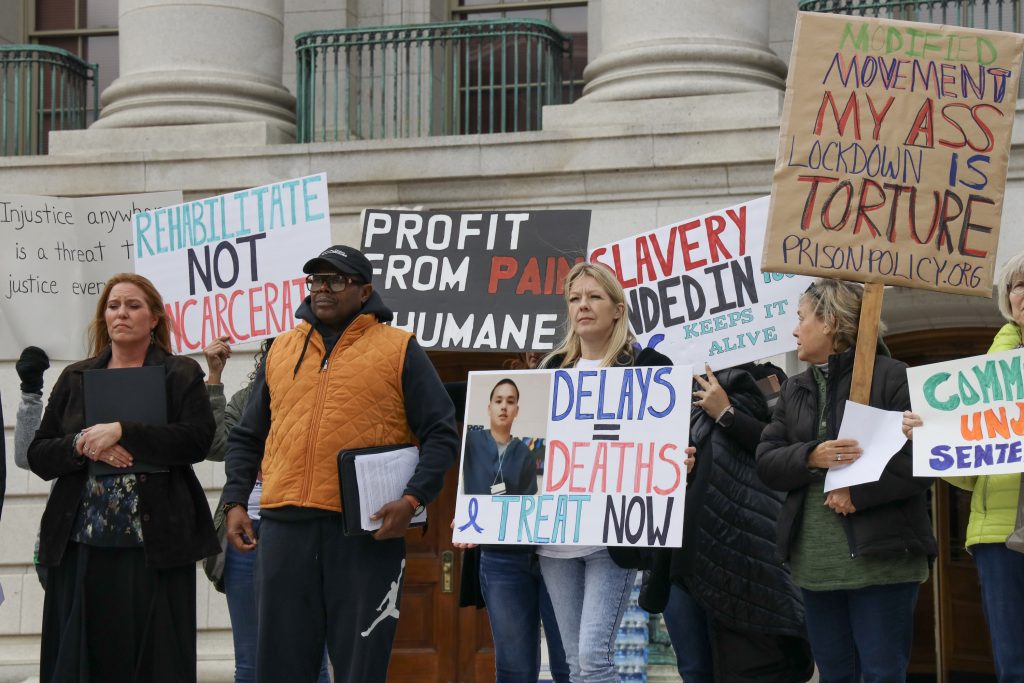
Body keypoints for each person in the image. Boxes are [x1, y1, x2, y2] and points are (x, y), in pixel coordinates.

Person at [222, 244, 458, 683]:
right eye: (316, 279)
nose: (322, 289)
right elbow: (246, 436)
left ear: (364, 291)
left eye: (336, 280)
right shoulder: (280, 349)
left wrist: (412, 499)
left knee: (359, 669)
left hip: (363, 535)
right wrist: (235, 500)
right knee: (280, 668)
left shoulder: (400, 348)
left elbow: (442, 432)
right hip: (283, 529)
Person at [27, 272, 219, 683]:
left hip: (157, 544)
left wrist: (124, 431)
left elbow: (197, 441)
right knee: (83, 661)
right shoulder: (75, 377)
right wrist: (82, 443)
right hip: (83, 543)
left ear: (154, 319)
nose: (121, 313)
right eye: (114, 306)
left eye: (133, 305)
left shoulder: (179, 373)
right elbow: (40, 454)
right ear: (103, 317)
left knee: (156, 661)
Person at [756, 278, 935, 683]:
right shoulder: (794, 390)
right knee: (835, 675)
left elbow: (923, 460)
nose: (795, 329)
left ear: (830, 323)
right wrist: (810, 455)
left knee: (882, 674)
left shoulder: (894, 377)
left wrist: (858, 491)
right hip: (815, 566)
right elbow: (766, 461)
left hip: (884, 561)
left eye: (802, 318)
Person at [537, 261, 694, 683]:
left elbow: (666, 447)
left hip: (612, 536)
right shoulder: (550, 372)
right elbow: (528, 451)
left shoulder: (648, 366)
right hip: (556, 539)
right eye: (574, 299)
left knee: (594, 658)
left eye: (594, 297)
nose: (582, 306)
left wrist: (679, 462)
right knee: (571, 663)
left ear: (617, 309)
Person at [644, 362, 813, 683]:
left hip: (742, 555)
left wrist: (727, 413)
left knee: (739, 671)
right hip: (681, 555)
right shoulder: (671, 385)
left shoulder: (770, 378)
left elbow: (788, 452)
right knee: (694, 669)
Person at [903, 252, 1024, 682]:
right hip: (998, 535)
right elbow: (970, 476)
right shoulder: (985, 376)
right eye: (1015, 286)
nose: (1022, 293)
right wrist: (933, 440)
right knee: (1012, 662)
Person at [456, 376, 570, 683]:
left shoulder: (525, 451)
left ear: (518, 409)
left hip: (557, 553)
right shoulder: (473, 440)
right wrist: (466, 513)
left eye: (510, 401)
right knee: (514, 670)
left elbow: (532, 494)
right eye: (498, 400)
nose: (504, 407)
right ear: (488, 406)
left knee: (569, 666)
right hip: (502, 557)